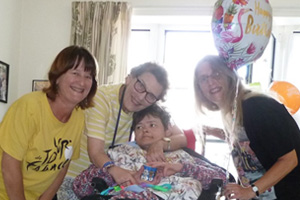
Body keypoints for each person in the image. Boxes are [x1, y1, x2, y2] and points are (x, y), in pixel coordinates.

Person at [59, 62, 187, 199]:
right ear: (129, 78)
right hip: (74, 179)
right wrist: (115, 170)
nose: (141, 97)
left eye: (151, 96)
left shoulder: (145, 105)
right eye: (141, 85)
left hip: (108, 184)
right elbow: (95, 153)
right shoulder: (101, 99)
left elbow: (181, 137)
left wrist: (160, 143)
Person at [193, 55, 300, 199]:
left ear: (229, 76)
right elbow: (248, 140)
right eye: (203, 78)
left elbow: (289, 159)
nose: (211, 82)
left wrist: (250, 191)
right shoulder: (235, 110)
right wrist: (211, 131)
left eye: (216, 74)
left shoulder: (257, 107)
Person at [0, 45, 98, 200]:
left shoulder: (79, 115)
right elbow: (9, 166)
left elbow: (64, 163)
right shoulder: (28, 107)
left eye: (88, 76)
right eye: (75, 73)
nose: (82, 82)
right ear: (57, 77)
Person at [73, 103, 226, 200]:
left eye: (152, 125)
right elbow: (79, 186)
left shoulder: (183, 156)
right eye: (139, 127)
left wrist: (181, 168)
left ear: (167, 130)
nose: (145, 129)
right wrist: (115, 174)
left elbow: (223, 179)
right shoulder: (119, 153)